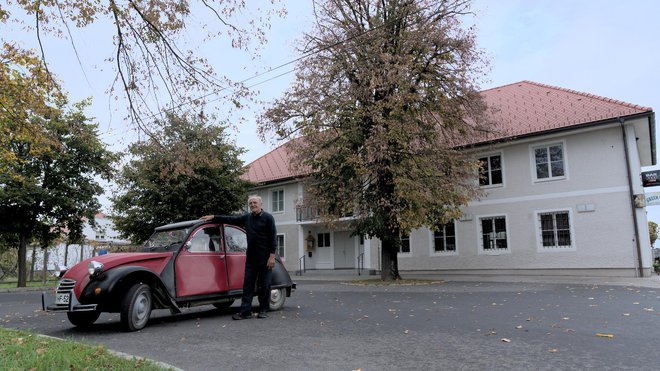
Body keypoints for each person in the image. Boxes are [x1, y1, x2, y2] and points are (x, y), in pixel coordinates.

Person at [201, 195, 277, 320]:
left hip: (265, 258)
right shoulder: (247, 218)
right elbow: (231, 219)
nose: (252, 205)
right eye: (251, 203)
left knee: (265, 285)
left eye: (255, 202)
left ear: (261, 204)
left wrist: (272, 256)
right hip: (251, 258)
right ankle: (245, 312)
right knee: (248, 284)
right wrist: (214, 217)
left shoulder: (268, 218)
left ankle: (263, 310)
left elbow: (273, 237)